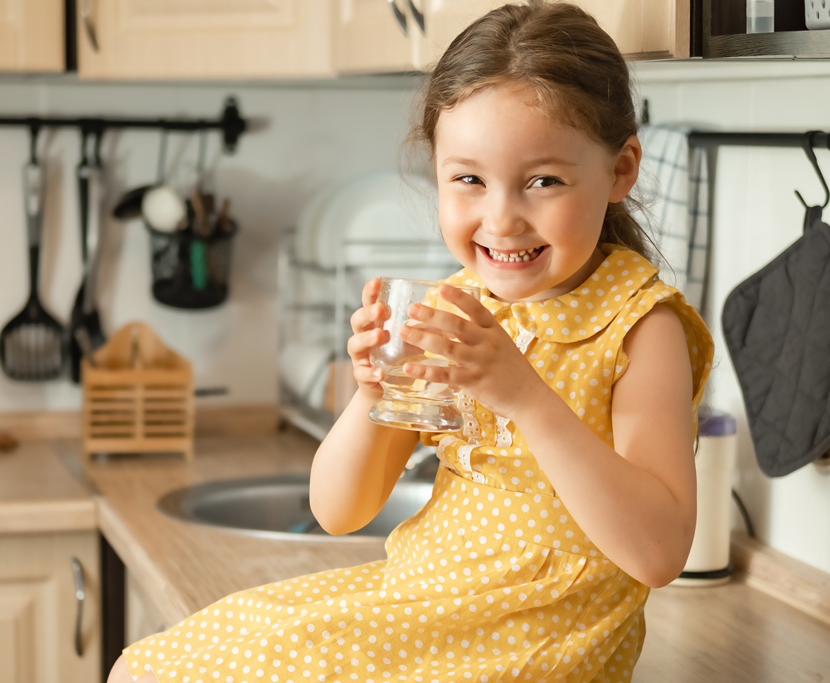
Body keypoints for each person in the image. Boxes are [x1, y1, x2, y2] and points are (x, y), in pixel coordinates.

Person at [108, 2, 713, 681]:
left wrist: (526, 397)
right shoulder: (459, 307)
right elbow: (339, 510)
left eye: (543, 180)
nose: (502, 217)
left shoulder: (639, 325)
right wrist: (372, 392)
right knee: (153, 665)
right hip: (427, 607)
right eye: (469, 180)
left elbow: (659, 552)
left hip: (530, 644)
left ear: (621, 169)